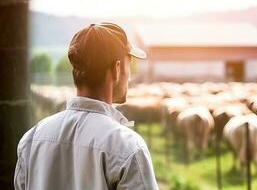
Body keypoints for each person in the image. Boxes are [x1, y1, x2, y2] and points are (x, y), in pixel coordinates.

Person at [14, 23, 159, 190]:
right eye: (129, 67)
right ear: (117, 69)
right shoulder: (128, 147)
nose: (130, 78)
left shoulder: (31, 140)